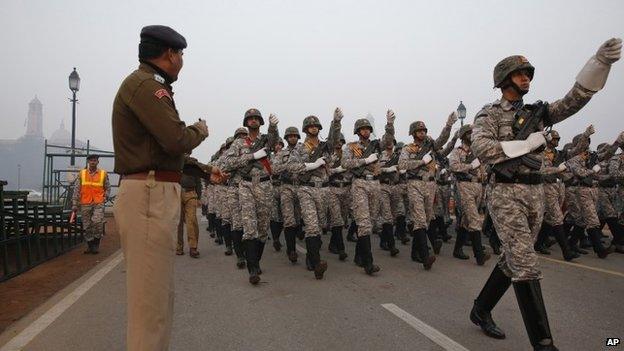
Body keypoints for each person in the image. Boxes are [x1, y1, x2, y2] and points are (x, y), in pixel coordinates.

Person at [470, 38, 621, 350]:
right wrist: (528, 144)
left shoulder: (537, 113)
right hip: (507, 193)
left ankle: (481, 309)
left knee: (512, 260)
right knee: (526, 263)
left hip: (536, 192)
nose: (527, 77)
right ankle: (544, 344)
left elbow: (571, 102)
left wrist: (598, 65)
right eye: (520, 73)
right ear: (504, 80)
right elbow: (482, 148)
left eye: (529, 73)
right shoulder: (490, 114)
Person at [112, 25, 222, 350]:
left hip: (154, 191)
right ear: (170, 54)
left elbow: (162, 154)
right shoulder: (147, 86)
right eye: (181, 54)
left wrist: (203, 170)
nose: (183, 60)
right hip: (149, 195)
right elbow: (175, 140)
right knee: (150, 309)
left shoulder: (150, 85)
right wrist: (199, 129)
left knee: (157, 301)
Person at [223, 108, 279, 285]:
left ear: (260, 122)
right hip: (246, 184)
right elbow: (228, 163)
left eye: (256, 118)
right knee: (249, 226)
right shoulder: (239, 144)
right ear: (246, 122)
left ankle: (255, 261)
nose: (253, 120)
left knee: (263, 229)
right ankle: (252, 269)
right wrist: (252, 156)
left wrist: (273, 127)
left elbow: (275, 141)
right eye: (250, 118)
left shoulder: (266, 140)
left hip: (264, 185)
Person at [398, 113, 457, 269]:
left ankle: (414, 253)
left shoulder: (431, 146)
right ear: (413, 133)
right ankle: (425, 257)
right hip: (415, 184)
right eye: (419, 131)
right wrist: (420, 162)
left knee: (426, 219)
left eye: (424, 130)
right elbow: (402, 164)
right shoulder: (407, 148)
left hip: (431, 185)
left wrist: (448, 125)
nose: (422, 133)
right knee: (419, 219)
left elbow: (441, 141)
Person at [288, 110, 342, 279]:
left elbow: (334, 140)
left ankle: (311, 258)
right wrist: (311, 165)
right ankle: (318, 264)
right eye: (310, 126)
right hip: (306, 189)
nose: (313, 128)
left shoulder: (325, 146)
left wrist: (336, 122)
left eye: (315, 126)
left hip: (324, 189)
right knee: (311, 226)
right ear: (305, 129)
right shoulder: (299, 148)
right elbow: (291, 167)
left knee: (319, 226)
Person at [342, 110, 395, 274]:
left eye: (367, 128)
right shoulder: (351, 147)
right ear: (357, 132)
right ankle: (368, 262)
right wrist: (364, 160)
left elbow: (387, 140)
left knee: (369, 223)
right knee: (364, 222)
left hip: (375, 184)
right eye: (362, 129)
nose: (365, 131)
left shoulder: (376, 145)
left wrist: (390, 125)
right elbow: (345, 163)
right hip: (360, 184)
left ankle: (359, 256)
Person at [448, 124, 490, 265]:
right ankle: (479, 255)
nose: (472, 135)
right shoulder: (457, 151)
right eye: (469, 133)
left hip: (478, 186)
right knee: (474, 219)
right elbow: (453, 167)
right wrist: (470, 166)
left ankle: (457, 249)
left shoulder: (477, 151)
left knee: (466, 221)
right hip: (465, 185)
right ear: (464, 135)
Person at [72, 154, 110, 254]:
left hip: (98, 203)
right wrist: (75, 204)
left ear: (98, 162)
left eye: (95, 160)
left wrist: (105, 197)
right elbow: (76, 189)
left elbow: (107, 187)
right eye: (91, 160)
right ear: (88, 162)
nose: (93, 162)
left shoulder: (103, 174)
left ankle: (96, 244)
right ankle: (90, 246)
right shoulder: (82, 174)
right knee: (87, 226)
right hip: (85, 203)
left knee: (97, 222)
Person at [176, 155, 203, 258]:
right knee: (178, 222)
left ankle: (193, 247)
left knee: (191, 220)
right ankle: (179, 247)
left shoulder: (193, 164)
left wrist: (199, 197)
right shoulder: (174, 162)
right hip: (177, 193)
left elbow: (198, 182)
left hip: (190, 194)